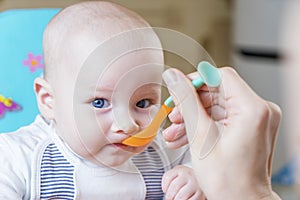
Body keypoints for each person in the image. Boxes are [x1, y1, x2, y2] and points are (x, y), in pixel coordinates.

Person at [0, 1, 204, 199]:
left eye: (142, 103)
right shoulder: (17, 158)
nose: (128, 125)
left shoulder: (163, 152)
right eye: (100, 102)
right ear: (49, 100)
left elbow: (206, 159)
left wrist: (196, 177)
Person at [162, 67, 282, 199]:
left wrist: (192, 178)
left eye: (142, 103)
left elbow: (205, 167)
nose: (134, 124)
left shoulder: (163, 148)